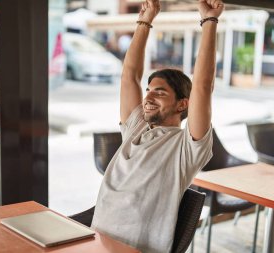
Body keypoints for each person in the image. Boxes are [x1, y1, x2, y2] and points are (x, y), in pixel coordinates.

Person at [91, 0, 224, 252]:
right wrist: (146, 18)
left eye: (159, 93)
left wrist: (209, 21)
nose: (148, 98)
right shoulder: (136, 130)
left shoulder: (187, 147)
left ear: (183, 104)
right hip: (96, 240)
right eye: (148, 90)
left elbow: (203, 86)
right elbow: (129, 75)